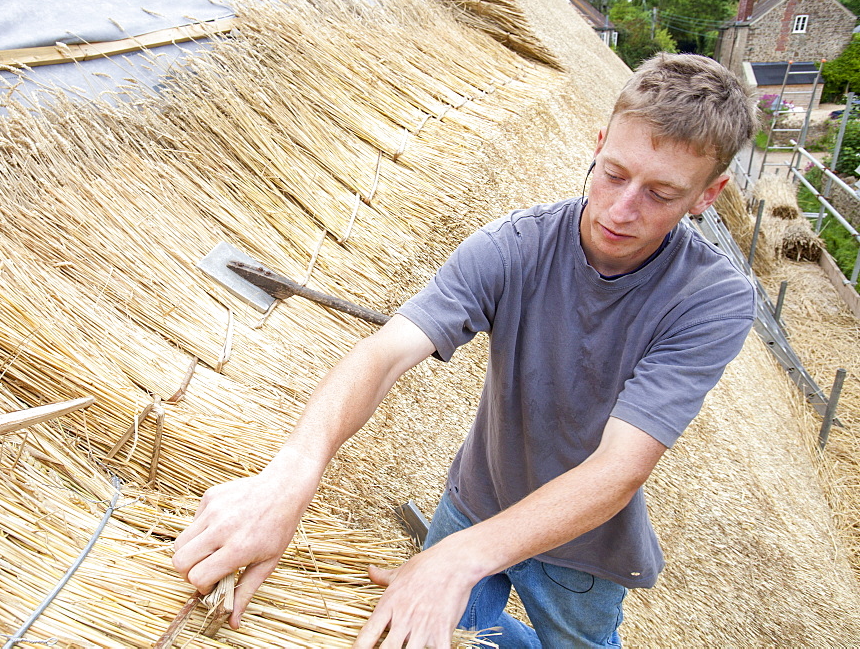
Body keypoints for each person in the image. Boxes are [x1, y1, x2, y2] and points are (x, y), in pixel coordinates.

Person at [172, 53, 759, 648]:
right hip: (477, 499)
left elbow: (618, 469)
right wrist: (291, 475)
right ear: (600, 141)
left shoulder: (712, 298)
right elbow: (385, 354)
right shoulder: (516, 246)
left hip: (586, 547)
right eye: (612, 173)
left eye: (660, 193)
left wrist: (454, 560)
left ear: (708, 195)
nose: (621, 208)